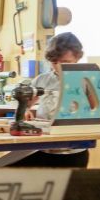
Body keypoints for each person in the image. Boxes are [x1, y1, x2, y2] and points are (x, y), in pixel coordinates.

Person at [12, 32, 89, 168]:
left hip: (74, 151)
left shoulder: (87, 80)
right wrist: (26, 110)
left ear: (77, 57)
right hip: (44, 149)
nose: (59, 66)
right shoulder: (42, 79)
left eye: (65, 62)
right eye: (54, 62)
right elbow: (25, 102)